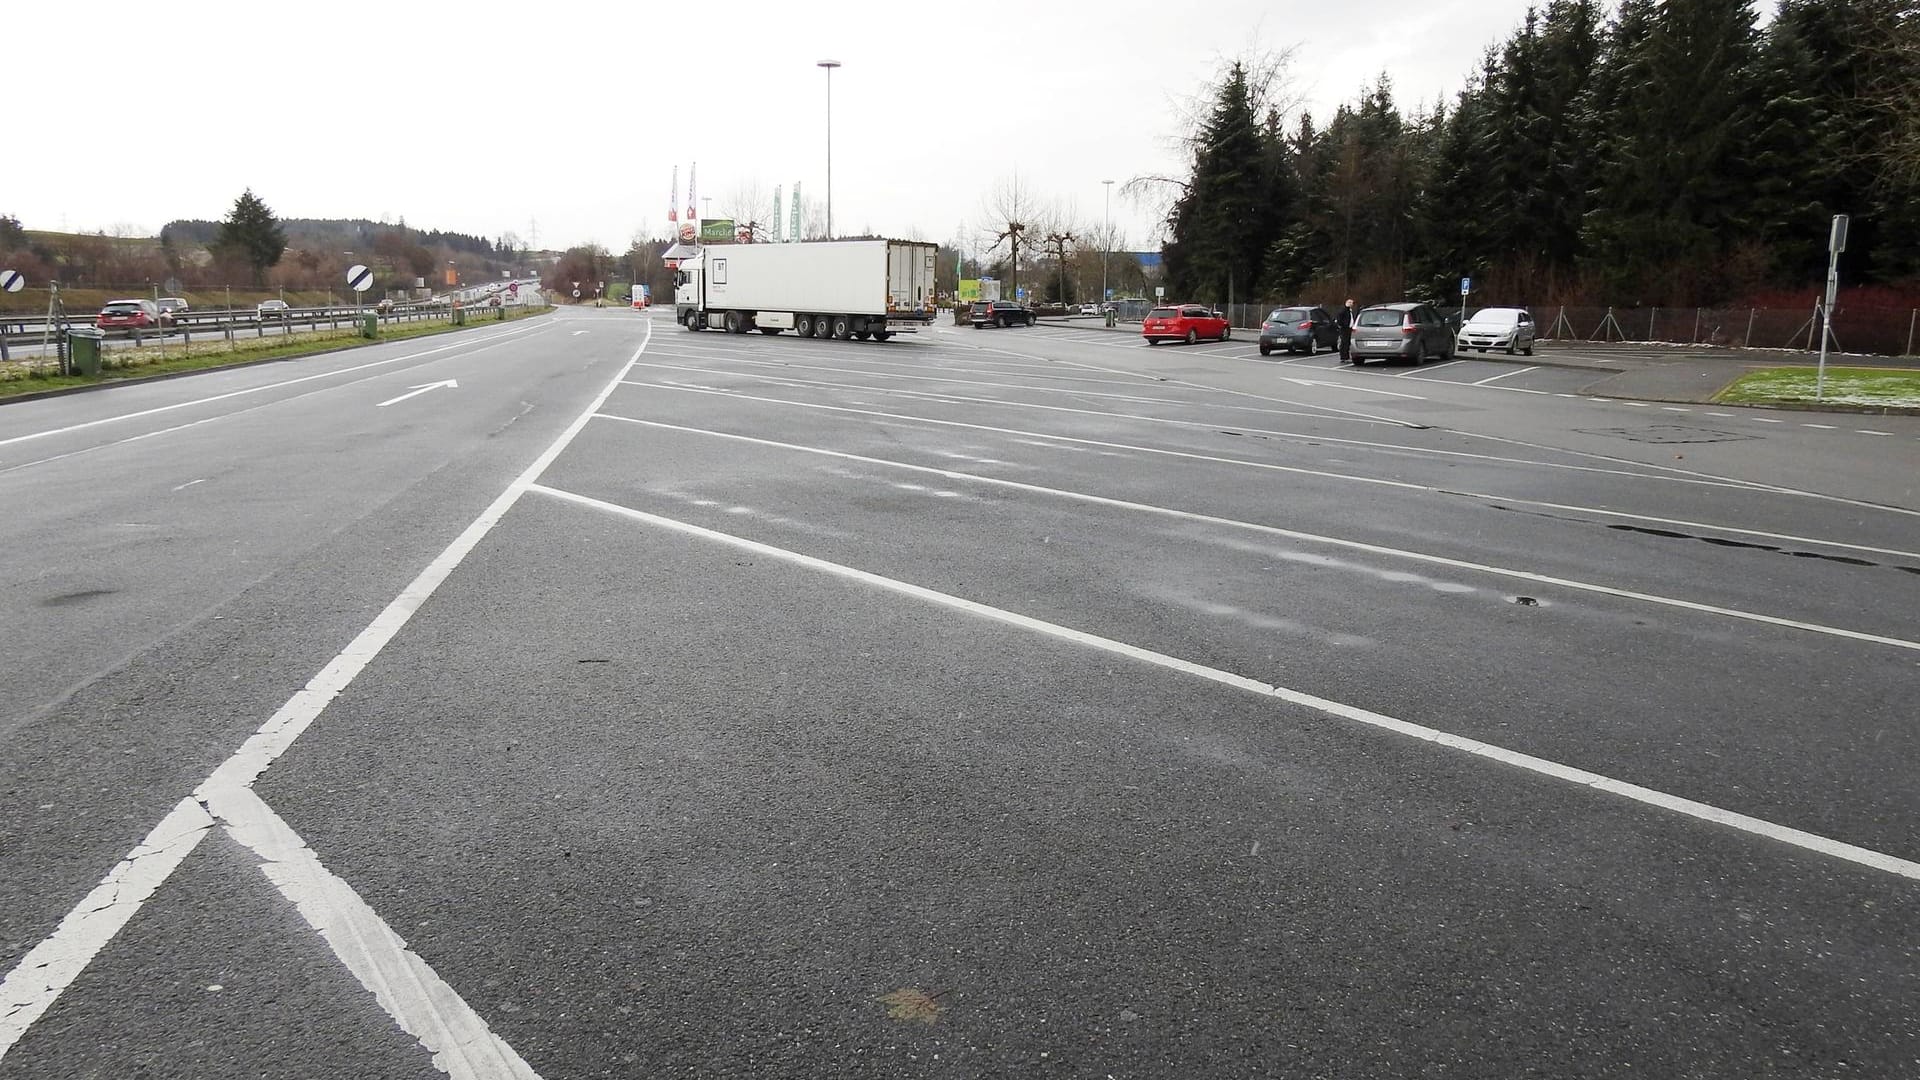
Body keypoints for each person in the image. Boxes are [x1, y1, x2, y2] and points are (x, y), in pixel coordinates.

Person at [1337, 297, 1358, 362]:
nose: (1351, 304)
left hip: (1349, 329)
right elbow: (1339, 318)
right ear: (1346, 303)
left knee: (1347, 343)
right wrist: (1342, 325)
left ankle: (1345, 357)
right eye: (1350, 302)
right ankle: (1344, 357)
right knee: (1344, 343)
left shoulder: (1349, 310)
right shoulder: (1343, 310)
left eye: (1352, 303)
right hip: (1344, 329)